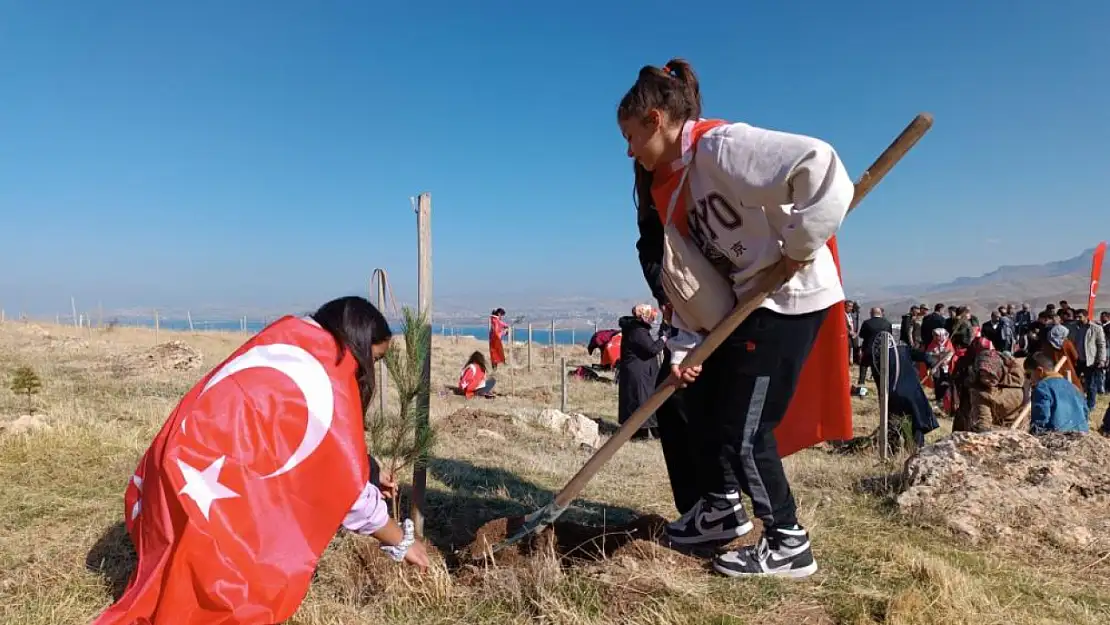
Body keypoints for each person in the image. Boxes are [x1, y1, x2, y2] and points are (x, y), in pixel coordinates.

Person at [617, 57, 853, 578]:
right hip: (747, 304)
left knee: (746, 432)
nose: (629, 150)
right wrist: (683, 349)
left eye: (631, 135)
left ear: (655, 119)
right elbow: (691, 280)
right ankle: (720, 510)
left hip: (789, 298)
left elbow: (822, 166)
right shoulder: (669, 184)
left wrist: (799, 245)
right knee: (698, 404)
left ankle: (789, 543)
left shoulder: (720, 147)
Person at [91, 296, 429, 625]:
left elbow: (311, 438)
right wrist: (402, 542)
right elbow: (346, 489)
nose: (371, 371)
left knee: (182, 564)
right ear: (356, 344)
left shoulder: (290, 346)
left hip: (181, 464)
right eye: (375, 359)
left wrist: (367, 469)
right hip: (211, 480)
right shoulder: (328, 376)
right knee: (224, 591)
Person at [617, 304, 667, 435]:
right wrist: (664, 339)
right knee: (640, 402)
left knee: (639, 402)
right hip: (639, 374)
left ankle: (644, 430)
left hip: (640, 372)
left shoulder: (636, 329)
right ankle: (642, 431)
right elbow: (652, 349)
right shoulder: (638, 331)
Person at [1025, 352, 1089, 434]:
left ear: (1039, 371)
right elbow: (1085, 413)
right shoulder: (1074, 387)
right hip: (1081, 435)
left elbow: (1040, 420)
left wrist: (1033, 436)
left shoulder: (1042, 388)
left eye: (1028, 375)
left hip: (1057, 438)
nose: (1030, 380)